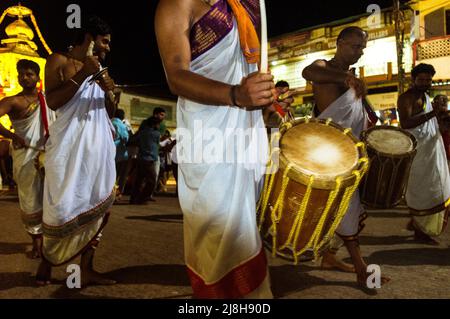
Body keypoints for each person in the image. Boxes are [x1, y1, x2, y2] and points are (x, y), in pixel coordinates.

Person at [156, 0, 292, 298]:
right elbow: (176, 75)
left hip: (246, 134)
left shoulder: (249, 7)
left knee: (245, 226)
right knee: (218, 233)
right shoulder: (178, 4)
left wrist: (264, 104)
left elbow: (248, 71)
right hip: (207, 138)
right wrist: (236, 94)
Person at [302, 26, 388, 287]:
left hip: (350, 151)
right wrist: (345, 79)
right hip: (329, 152)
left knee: (345, 207)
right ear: (339, 43)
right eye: (354, 46)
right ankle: (362, 270)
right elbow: (308, 72)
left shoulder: (352, 75)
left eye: (362, 48)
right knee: (346, 207)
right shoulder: (324, 66)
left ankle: (329, 256)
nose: (359, 52)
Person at [36, 16, 117, 286]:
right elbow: (55, 101)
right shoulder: (58, 60)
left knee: (95, 202)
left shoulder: (100, 70)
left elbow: (110, 114)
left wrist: (110, 94)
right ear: (89, 38)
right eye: (104, 42)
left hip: (97, 150)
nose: (107, 48)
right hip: (67, 148)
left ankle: (87, 269)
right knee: (60, 205)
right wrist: (85, 73)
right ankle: (47, 262)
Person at [0, 60, 55, 258]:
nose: (24, 77)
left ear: (38, 77)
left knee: (51, 199)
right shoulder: (13, 101)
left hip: (49, 155)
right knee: (31, 200)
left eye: (29, 74)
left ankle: (51, 240)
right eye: (21, 74)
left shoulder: (49, 100)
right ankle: (37, 243)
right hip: (25, 157)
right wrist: (12, 135)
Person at [398, 64, 450, 245]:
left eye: (428, 80)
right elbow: (405, 123)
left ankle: (416, 224)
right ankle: (420, 231)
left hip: (432, 150)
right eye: (421, 80)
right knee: (422, 191)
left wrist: (441, 117)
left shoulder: (427, 97)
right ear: (413, 80)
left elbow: (433, 122)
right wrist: (433, 114)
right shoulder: (406, 98)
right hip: (418, 154)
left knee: (438, 188)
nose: (425, 83)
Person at [130, 116, 161, 204]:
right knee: (152, 180)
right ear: (155, 124)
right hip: (149, 159)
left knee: (139, 180)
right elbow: (157, 144)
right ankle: (142, 198)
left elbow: (135, 141)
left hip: (141, 158)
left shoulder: (142, 132)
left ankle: (133, 198)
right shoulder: (156, 134)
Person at [112, 108, 129, 198]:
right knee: (117, 176)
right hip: (118, 154)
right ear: (122, 116)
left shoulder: (109, 122)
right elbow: (126, 138)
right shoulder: (121, 125)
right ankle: (115, 194)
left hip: (108, 152)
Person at [433, 94, 450, 167]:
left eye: (445, 101)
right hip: (437, 153)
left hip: (447, 152)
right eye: (441, 102)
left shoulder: (447, 115)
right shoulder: (431, 116)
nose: (443, 103)